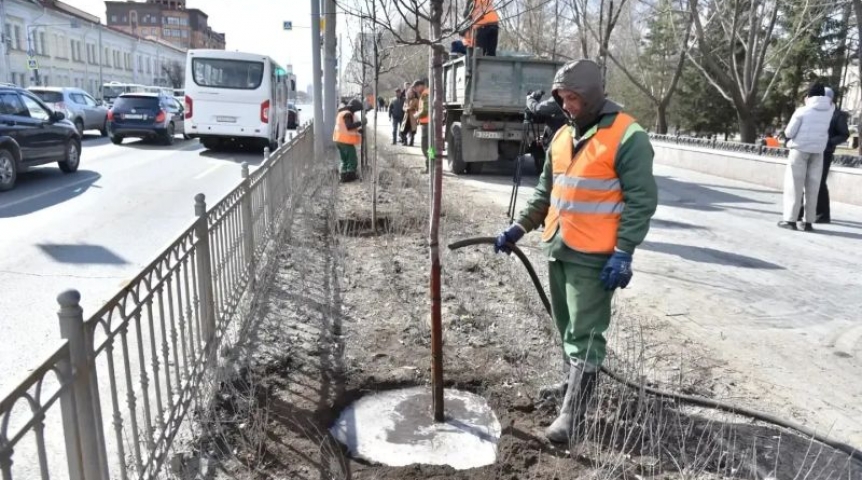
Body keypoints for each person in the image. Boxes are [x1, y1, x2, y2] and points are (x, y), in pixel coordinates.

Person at [493, 59, 657, 443]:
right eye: (561, 98)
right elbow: (545, 194)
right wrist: (518, 228)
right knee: (566, 326)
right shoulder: (563, 137)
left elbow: (641, 200)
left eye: (573, 98)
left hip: (596, 255)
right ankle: (571, 387)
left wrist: (624, 251)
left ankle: (573, 414)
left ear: (592, 96)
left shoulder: (627, 136)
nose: (566, 105)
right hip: (560, 246)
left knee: (585, 332)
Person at [779, 82, 834, 231]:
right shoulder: (829, 110)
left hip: (799, 151)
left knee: (794, 186)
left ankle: (790, 221)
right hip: (818, 152)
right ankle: (808, 222)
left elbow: (789, 132)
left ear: (808, 96)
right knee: (813, 187)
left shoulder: (802, 111)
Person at [795, 86, 849, 224]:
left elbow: (844, 134)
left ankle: (823, 214)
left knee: (819, 182)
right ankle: (800, 212)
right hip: (809, 150)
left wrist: (828, 143)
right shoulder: (813, 111)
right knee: (804, 180)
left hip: (825, 152)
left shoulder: (838, 114)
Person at [333, 98, 363, 183]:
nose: (355, 112)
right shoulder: (347, 114)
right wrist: (360, 123)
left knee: (344, 159)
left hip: (339, 140)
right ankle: (350, 175)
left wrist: (358, 129)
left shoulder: (342, 113)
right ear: (352, 108)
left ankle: (343, 175)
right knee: (351, 158)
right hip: (345, 140)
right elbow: (348, 126)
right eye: (356, 110)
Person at [413, 79, 430, 172]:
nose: (415, 90)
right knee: (431, 147)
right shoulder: (428, 93)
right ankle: (431, 165)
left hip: (427, 124)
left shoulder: (425, 94)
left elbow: (425, 110)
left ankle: (430, 166)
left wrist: (416, 115)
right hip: (429, 124)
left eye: (416, 88)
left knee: (425, 147)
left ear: (420, 85)